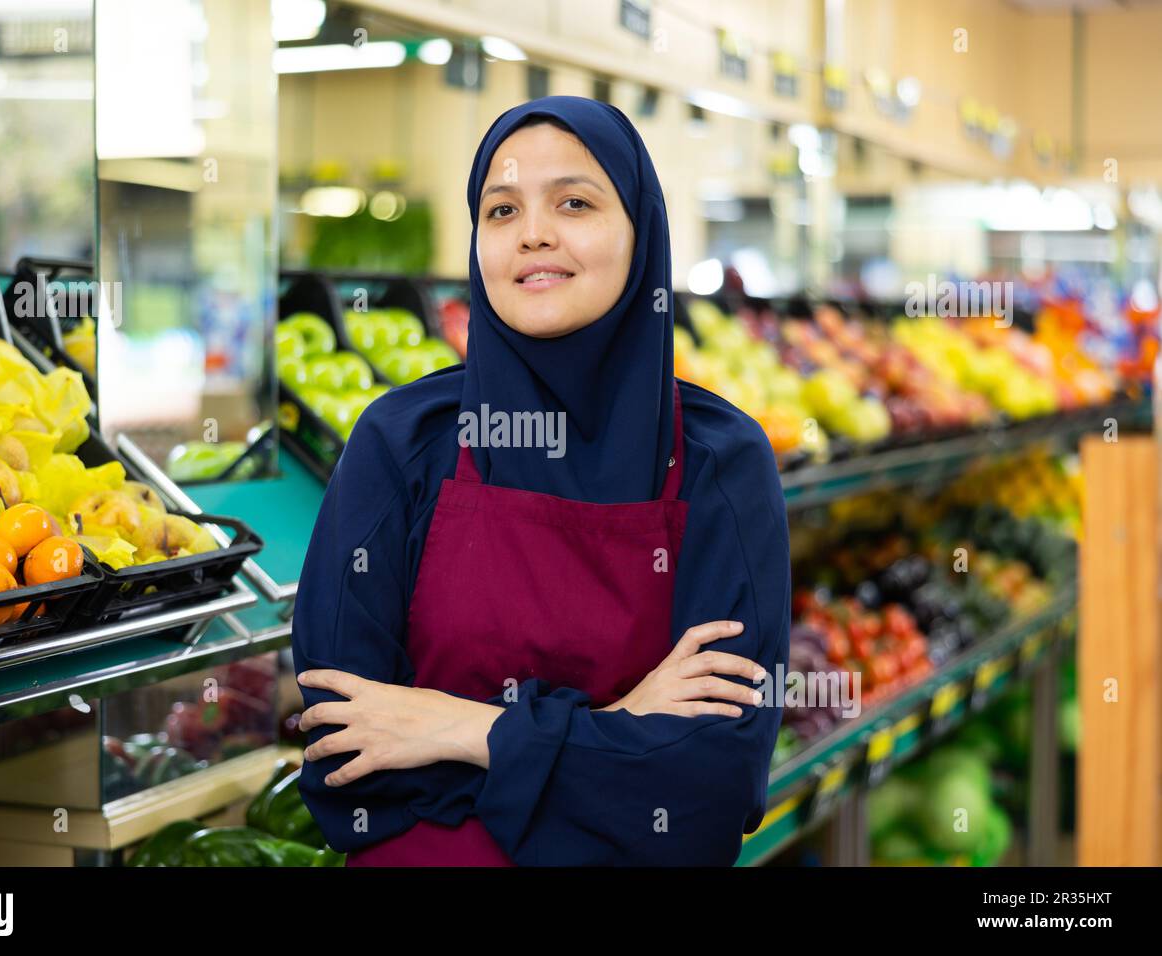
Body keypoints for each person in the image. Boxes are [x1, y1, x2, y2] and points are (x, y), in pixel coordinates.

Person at [289, 95, 791, 866]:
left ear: (641, 231)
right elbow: (349, 762)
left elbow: (708, 793)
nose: (533, 233)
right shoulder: (402, 443)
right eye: (501, 210)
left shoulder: (721, 461)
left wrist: (461, 730)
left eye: (575, 202)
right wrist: (621, 727)